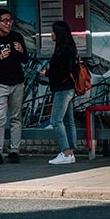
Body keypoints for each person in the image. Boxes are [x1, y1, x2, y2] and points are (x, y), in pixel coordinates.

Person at [0, 7, 29, 164]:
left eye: (10, 20)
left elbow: (25, 59)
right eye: (5, 21)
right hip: (0, 82)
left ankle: (14, 150)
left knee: (16, 117)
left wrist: (21, 50)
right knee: (0, 117)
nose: (8, 23)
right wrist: (0, 57)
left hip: (17, 82)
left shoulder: (17, 37)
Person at [41, 20, 79, 165]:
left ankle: (66, 152)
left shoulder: (63, 51)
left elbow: (63, 71)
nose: (51, 34)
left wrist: (48, 73)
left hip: (62, 90)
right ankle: (70, 153)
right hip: (68, 88)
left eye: (53, 31)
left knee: (56, 120)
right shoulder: (68, 48)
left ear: (58, 34)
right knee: (69, 122)